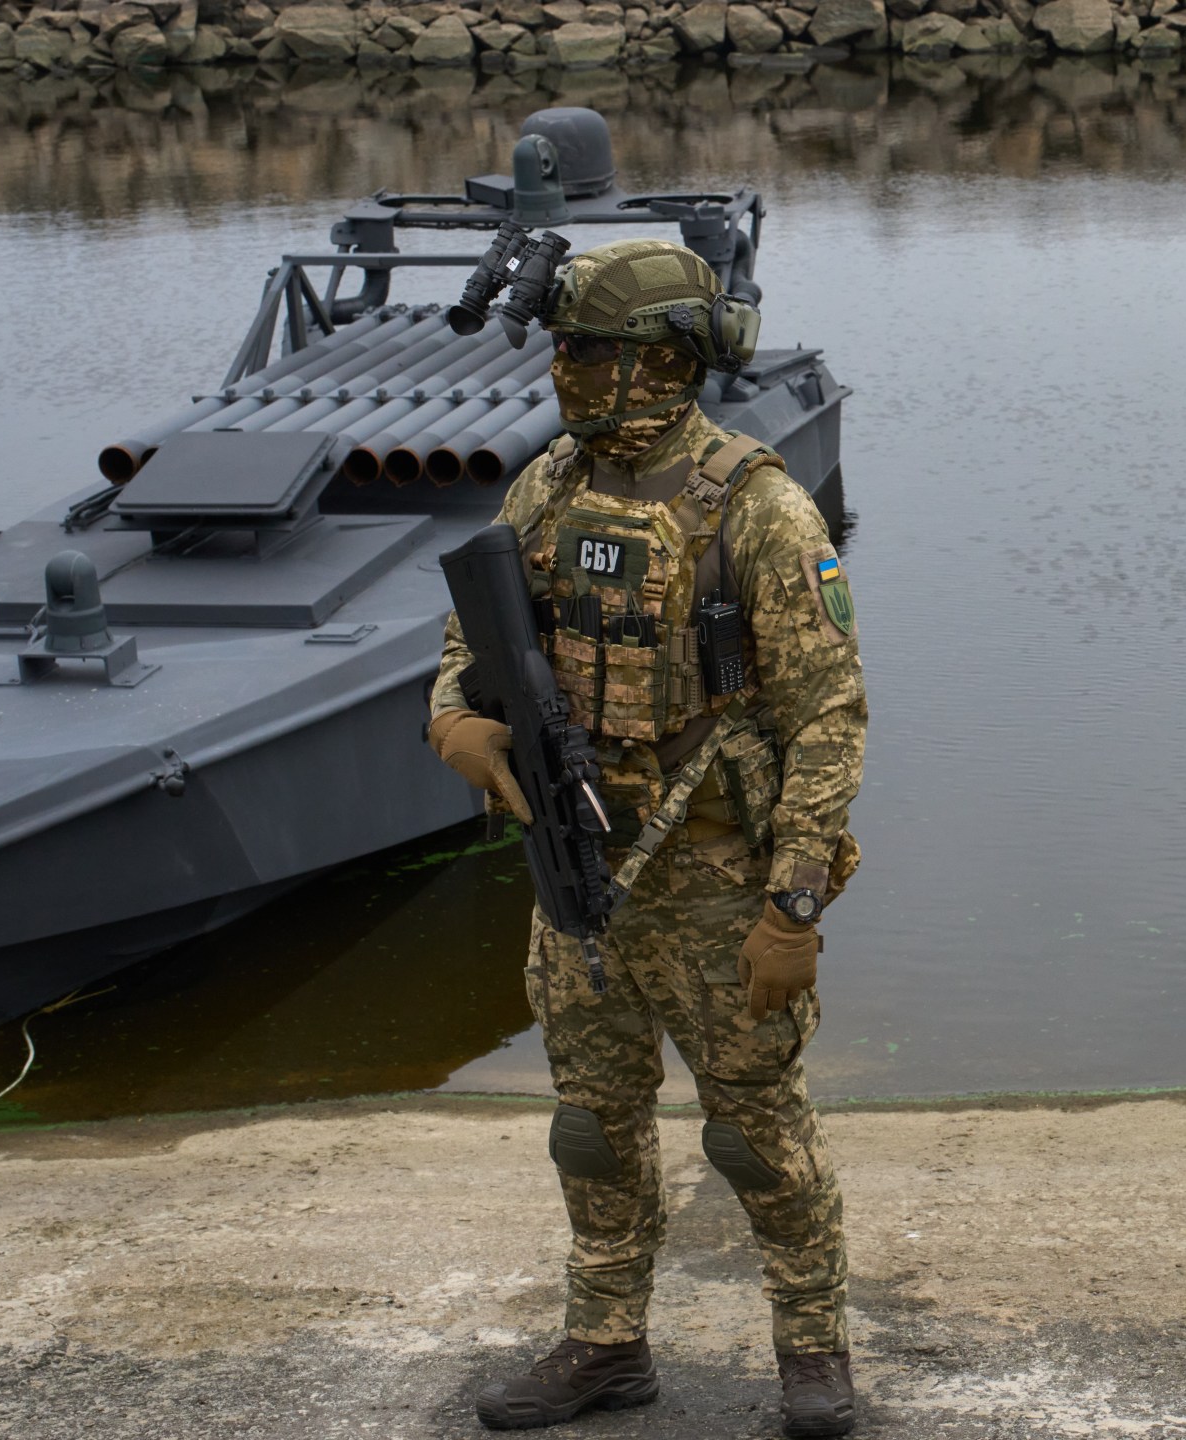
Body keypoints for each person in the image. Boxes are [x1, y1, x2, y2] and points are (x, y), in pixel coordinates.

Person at [426, 238, 866, 1436]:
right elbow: (474, 641)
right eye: (564, 351)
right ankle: (604, 1342)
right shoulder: (547, 488)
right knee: (591, 1126)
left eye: (599, 353)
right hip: (581, 874)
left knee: (758, 1133)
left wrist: (794, 908)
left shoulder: (760, 509)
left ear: (669, 360)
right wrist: (454, 718)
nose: (573, 373)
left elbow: (829, 716)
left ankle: (813, 1352)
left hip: (721, 883)